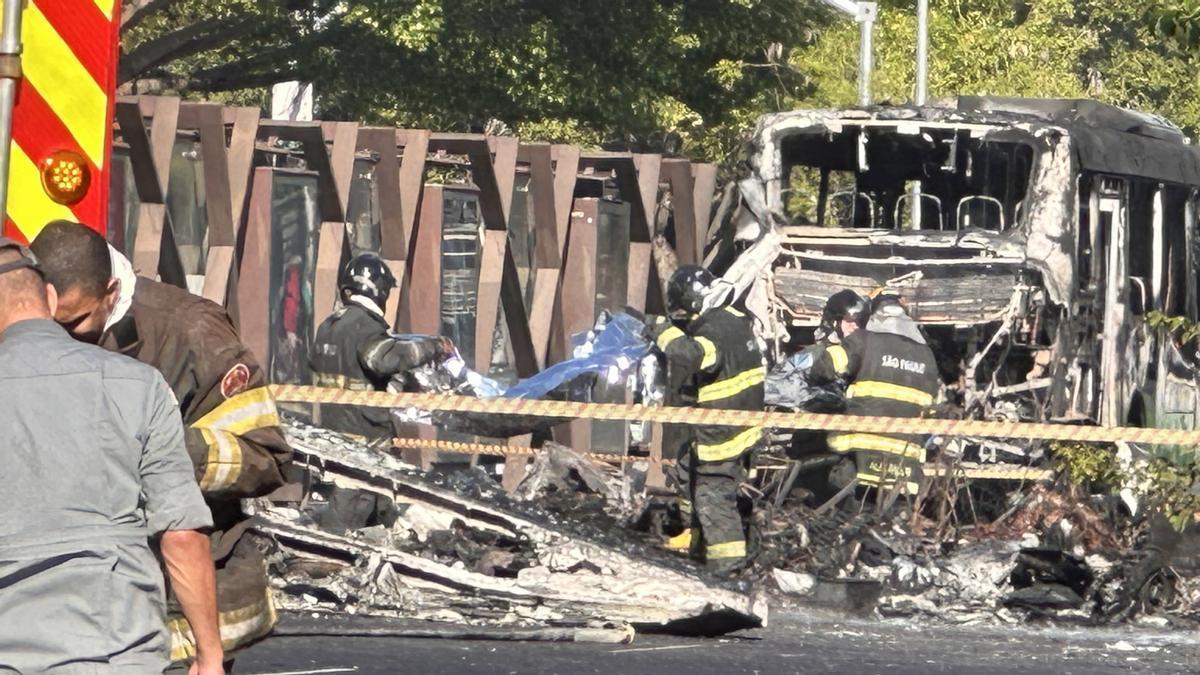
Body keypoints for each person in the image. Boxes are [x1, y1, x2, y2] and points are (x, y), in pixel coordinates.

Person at [30, 221, 293, 669]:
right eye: (50, 325)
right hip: (72, 607)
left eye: (75, 323)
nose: (61, 340)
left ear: (111, 291)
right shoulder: (28, 332)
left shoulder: (191, 330)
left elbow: (264, 456)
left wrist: (162, 449)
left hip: (175, 613)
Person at [0, 237, 222, 673]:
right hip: (117, 650)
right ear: (49, 296)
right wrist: (210, 653)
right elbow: (180, 533)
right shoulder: (139, 385)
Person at [648, 265, 766, 575]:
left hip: (722, 434)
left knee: (712, 495)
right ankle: (697, 541)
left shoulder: (713, 330)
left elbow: (691, 355)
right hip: (741, 426)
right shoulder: (735, 320)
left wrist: (661, 330)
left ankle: (727, 564)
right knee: (687, 469)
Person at [808, 289, 940, 496]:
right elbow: (933, 409)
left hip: (858, 453)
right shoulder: (928, 356)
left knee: (842, 517)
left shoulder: (864, 340)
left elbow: (824, 367)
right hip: (903, 463)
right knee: (890, 524)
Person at [312, 252, 451, 441]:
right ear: (380, 290)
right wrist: (433, 347)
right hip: (367, 436)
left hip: (332, 434)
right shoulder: (364, 324)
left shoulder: (327, 326)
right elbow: (383, 359)